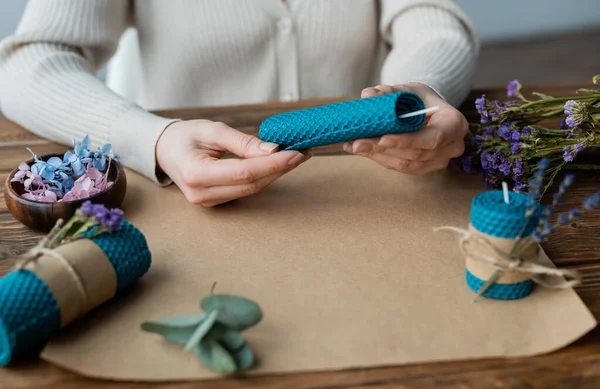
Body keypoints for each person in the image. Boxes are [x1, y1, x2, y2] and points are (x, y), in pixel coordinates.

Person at [0, 0, 479, 207]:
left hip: (369, 190)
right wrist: (154, 138)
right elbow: (30, 62)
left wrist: (423, 84)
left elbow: (431, 18)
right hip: (180, 195)